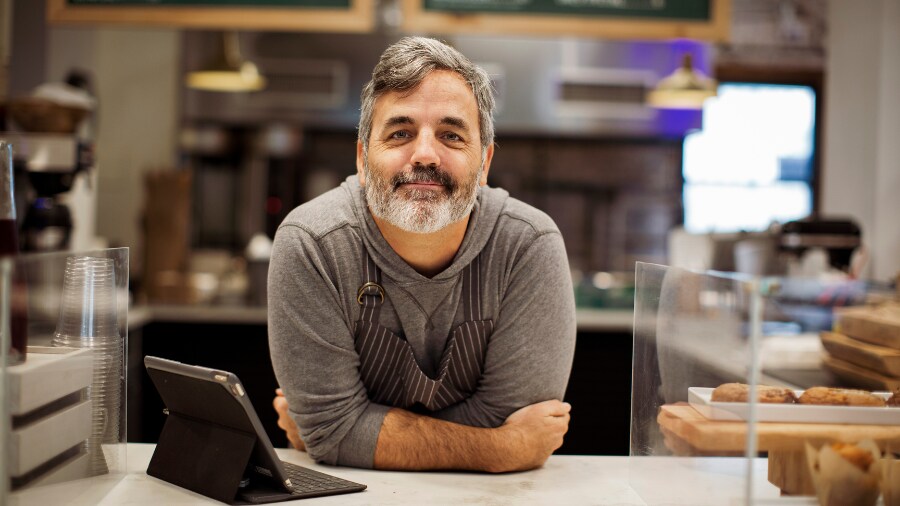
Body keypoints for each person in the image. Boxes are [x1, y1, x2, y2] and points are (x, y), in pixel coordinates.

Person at [268, 36, 576, 472]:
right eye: (400, 133)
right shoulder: (312, 243)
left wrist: (350, 433)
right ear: (361, 159)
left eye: (451, 135)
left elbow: (333, 432)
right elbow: (333, 430)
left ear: (484, 163)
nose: (425, 154)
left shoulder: (528, 246)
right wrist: (502, 449)